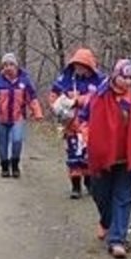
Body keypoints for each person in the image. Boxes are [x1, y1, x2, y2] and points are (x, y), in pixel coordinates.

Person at [81, 58, 131, 259]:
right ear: (115, 76)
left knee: (123, 198)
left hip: (128, 159)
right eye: (124, 77)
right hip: (102, 157)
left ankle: (117, 239)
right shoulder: (99, 95)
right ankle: (107, 221)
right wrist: (88, 141)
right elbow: (84, 119)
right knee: (100, 194)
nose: (128, 82)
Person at [47, 47, 105, 199]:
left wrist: (79, 101)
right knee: (73, 156)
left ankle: (89, 182)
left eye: (82, 65)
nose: (79, 68)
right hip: (71, 125)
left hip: (91, 127)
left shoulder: (99, 81)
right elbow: (53, 95)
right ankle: (76, 186)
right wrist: (57, 107)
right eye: (77, 65)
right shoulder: (66, 79)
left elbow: (103, 99)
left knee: (88, 156)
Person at [0, 52, 44, 178]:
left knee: (17, 140)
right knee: (2, 143)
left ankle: (15, 164)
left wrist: (37, 113)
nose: (8, 67)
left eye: (11, 64)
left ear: (16, 66)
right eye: (5, 65)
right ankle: (4, 166)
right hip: (0, 118)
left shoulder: (24, 80)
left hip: (18, 117)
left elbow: (32, 98)